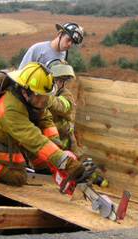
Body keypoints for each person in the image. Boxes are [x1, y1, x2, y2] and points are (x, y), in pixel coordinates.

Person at [0, 62, 85, 187]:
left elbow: (45, 119)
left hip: (14, 131)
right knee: (18, 178)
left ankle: (42, 170)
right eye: (40, 97)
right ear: (25, 92)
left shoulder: (37, 94)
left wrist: (57, 147)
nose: (43, 101)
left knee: (43, 160)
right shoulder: (11, 109)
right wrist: (65, 162)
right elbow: (33, 139)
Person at [45, 59, 109, 187]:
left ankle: (95, 180)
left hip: (67, 142)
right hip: (48, 143)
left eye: (61, 81)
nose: (59, 84)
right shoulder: (40, 95)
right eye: (56, 80)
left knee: (78, 165)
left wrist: (44, 97)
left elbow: (62, 106)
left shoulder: (65, 95)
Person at [18, 22, 84, 69]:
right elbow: (21, 71)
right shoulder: (37, 49)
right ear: (60, 34)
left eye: (72, 42)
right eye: (68, 40)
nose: (69, 44)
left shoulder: (64, 55)